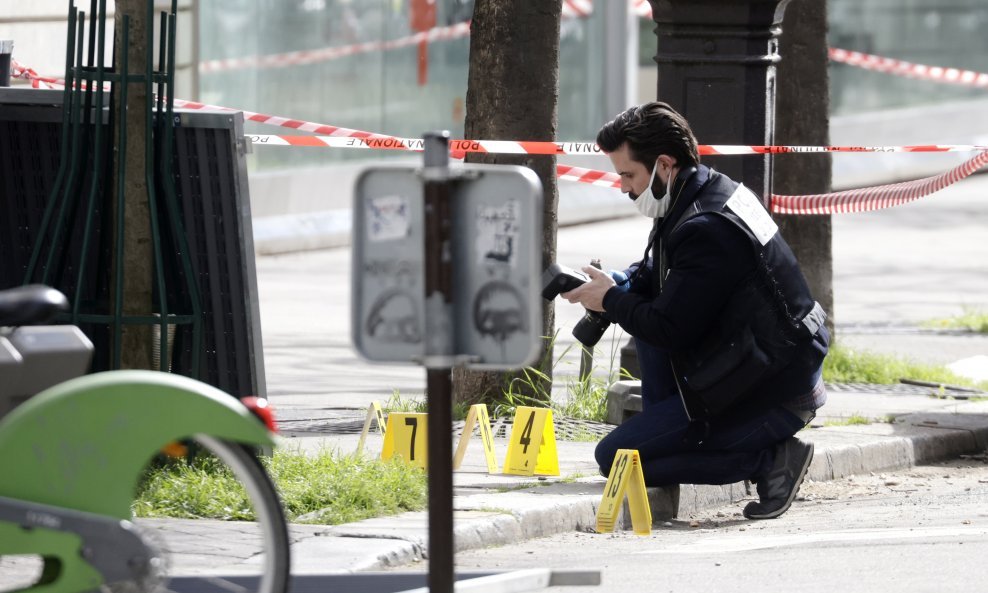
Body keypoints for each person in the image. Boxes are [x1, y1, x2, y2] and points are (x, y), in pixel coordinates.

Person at [562, 102, 829, 520]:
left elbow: (670, 328)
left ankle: (770, 460)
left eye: (628, 175)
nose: (624, 188)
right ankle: (673, 433)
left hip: (775, 389)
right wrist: (618, 282)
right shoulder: (701, 193)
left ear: (664, 165)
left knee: (616, 458)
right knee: (642, 313)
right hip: (751, 363)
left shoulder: (707, 227)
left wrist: (611, 300)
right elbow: (661, 273)